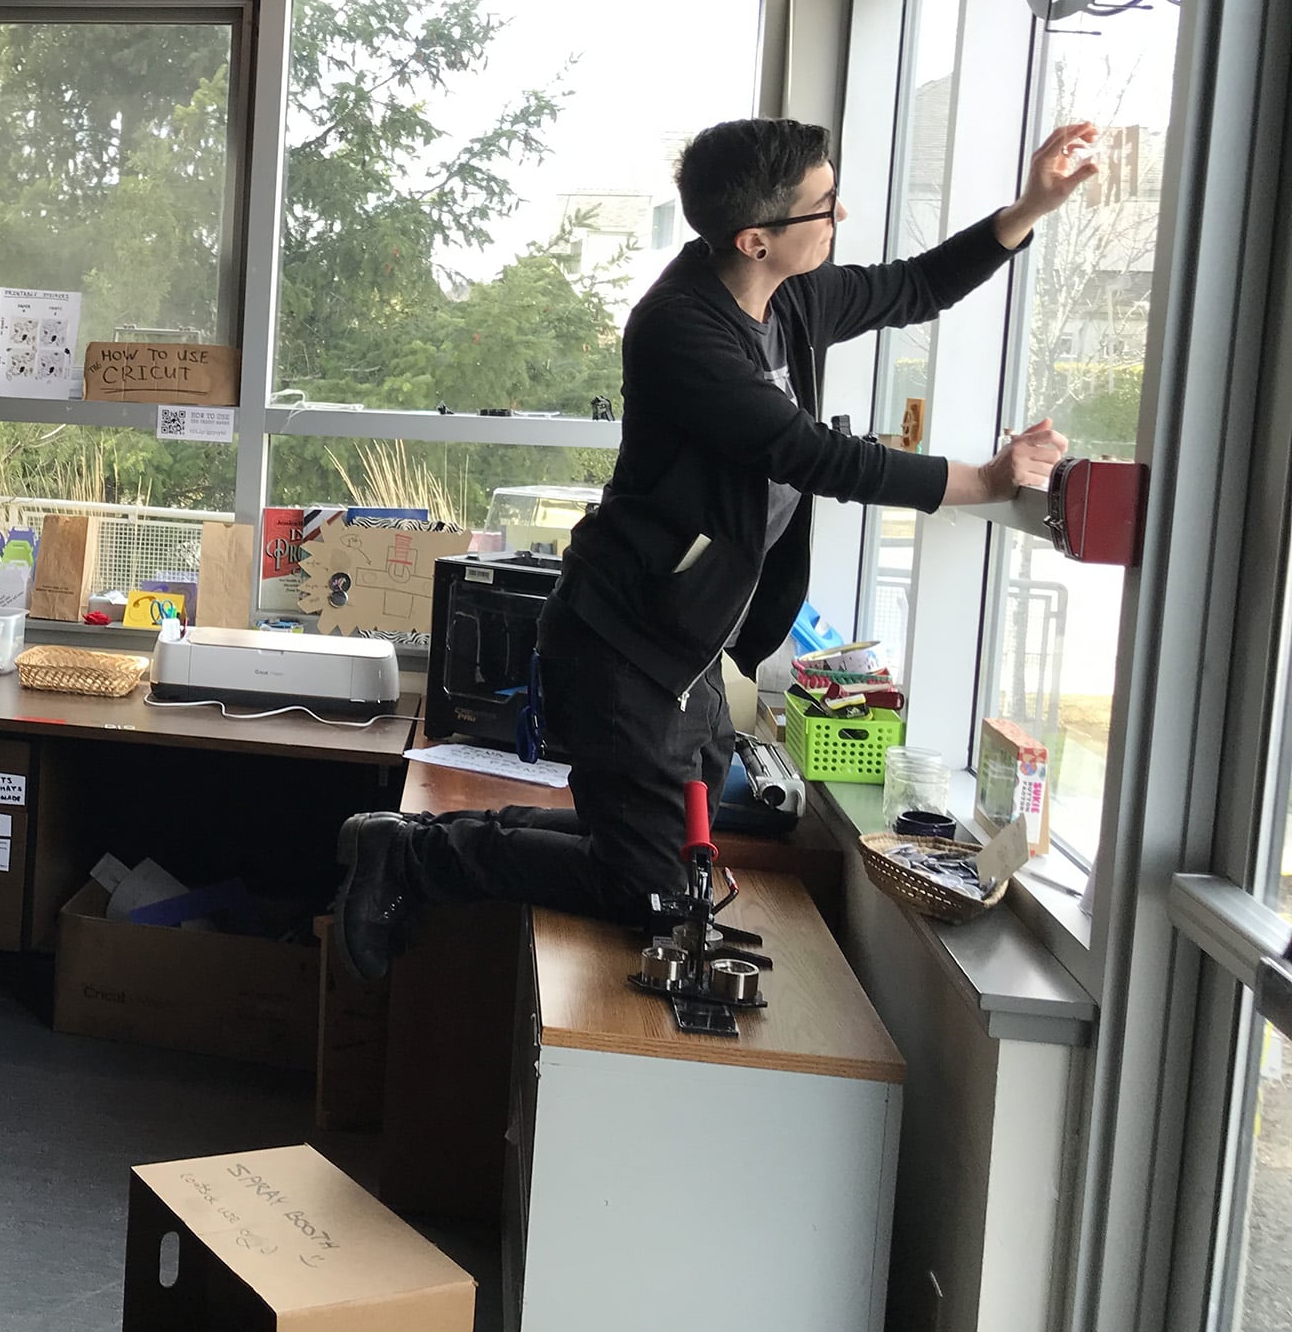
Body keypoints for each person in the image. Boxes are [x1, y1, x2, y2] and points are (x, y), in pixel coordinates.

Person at [334, 116, 1101, 981]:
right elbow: (812, 455)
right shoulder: (681, 330)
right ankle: (414, 859)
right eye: (824, 205)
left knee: (671, 839)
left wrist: (1028, 207)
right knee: (651, 886)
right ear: (756, 237)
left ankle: (410, 843)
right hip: (627, 639)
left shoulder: (788, 295)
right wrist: (991, 480)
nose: (838, 216)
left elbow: (913, 287)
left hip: (689, 643)